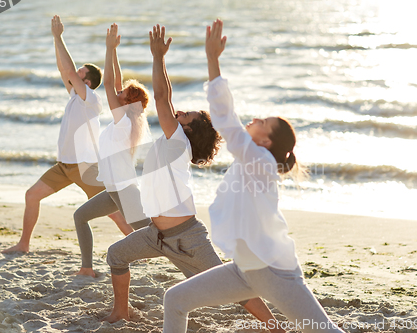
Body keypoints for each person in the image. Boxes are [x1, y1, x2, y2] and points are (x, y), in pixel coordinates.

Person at [162, 20, 345, 333]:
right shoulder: (252, 161)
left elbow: (227, 121)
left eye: (264, 121)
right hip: (245, 269)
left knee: (323, 331)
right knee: (175, 300)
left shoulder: (259, 160)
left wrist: (213, 60)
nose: (256, 118)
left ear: (266, 142)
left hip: (273, 270)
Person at [101, 24, 283, 333]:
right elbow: (167, 100)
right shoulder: (174, 140)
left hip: (188, 239)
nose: (180, 113)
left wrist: (158, 57)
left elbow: (161, 96)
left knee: (234, 285)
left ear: (190, 130)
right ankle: (121, 311)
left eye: (188, 116)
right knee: (116, 255)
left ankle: (275, 327)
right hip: (154, 234)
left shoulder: (177, 142)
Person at [2, 15, 122, 253]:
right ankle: (24, 245)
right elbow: (63, 67)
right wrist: (55, 40)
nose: (73, 74)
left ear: (86, 82)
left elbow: (67, 68)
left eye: (79, 73)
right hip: (64, 167)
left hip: (85, 167)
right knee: (32, 195)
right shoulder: (75, 96)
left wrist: (59, 36)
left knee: (115, 213)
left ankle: (144, 245)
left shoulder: (91, 99)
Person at [73, 23, 151, 277]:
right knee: (80, 216)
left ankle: (190, 259)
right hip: (114, 188)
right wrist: (114, 51)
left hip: (124, 190)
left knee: (157, 237)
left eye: (123, 93)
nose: (117, 92)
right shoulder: (127, 118)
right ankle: (87, 269)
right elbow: (115, 82)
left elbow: (108, 83)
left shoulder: (124, 120)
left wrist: (107, 49)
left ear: (128, 102)